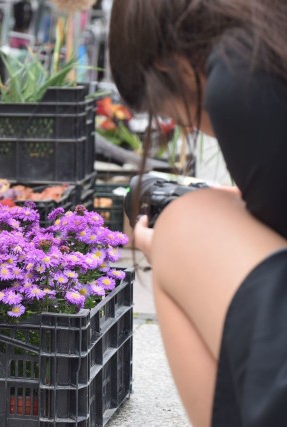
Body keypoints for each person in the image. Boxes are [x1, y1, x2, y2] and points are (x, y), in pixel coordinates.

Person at [107, 1, 287, 426]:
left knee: (184, 226)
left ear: (169, 65)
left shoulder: (240, 73)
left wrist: (168, 249)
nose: (182, 123)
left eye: (166, 108)